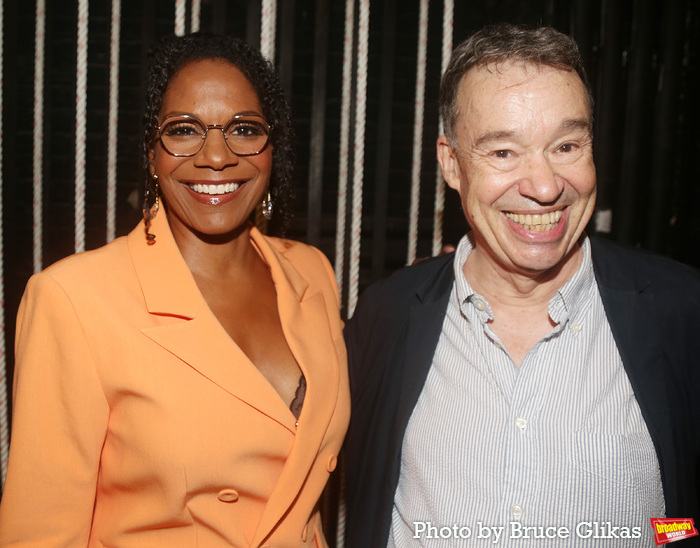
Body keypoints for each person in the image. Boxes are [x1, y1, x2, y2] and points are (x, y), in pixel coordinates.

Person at [343, 23, 700, 547]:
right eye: (504, 152)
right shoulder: (388, 315)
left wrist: (662, 535)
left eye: (566, 145)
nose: (544, 186)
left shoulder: (680, 311)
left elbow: (685, 515)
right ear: (452, 163)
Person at [0, 33, 349, 547]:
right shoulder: (72, 300)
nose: (215, 157)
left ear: (273, 147)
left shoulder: (312, 272)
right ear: (152, 151)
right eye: (183, 130)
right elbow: (41, 534)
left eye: (244, 129)